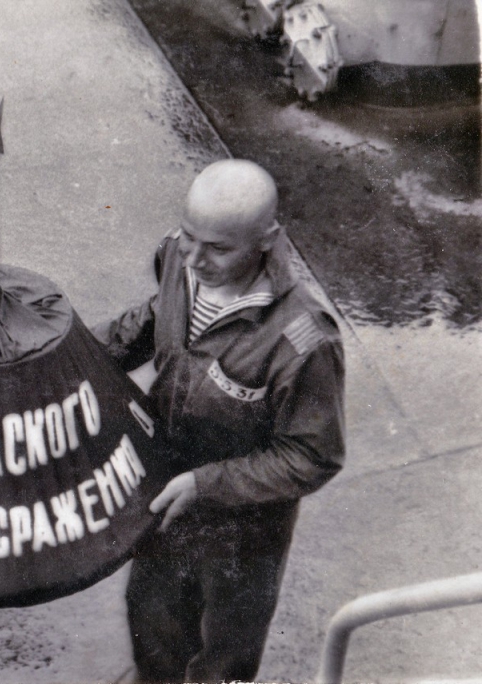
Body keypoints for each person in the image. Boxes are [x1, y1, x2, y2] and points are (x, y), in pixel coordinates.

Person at [93, 159, 345, 683]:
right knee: (151, 615)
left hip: (244, 530)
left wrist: (205, 484)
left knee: (226, 647)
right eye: (188, 236)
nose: (195, 259)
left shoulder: (303, 339)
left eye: (218, 248)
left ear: (266, 240)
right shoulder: (178, 257)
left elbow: (313, 455)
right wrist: (79, 355)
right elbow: (155, 317)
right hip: (165, 491)